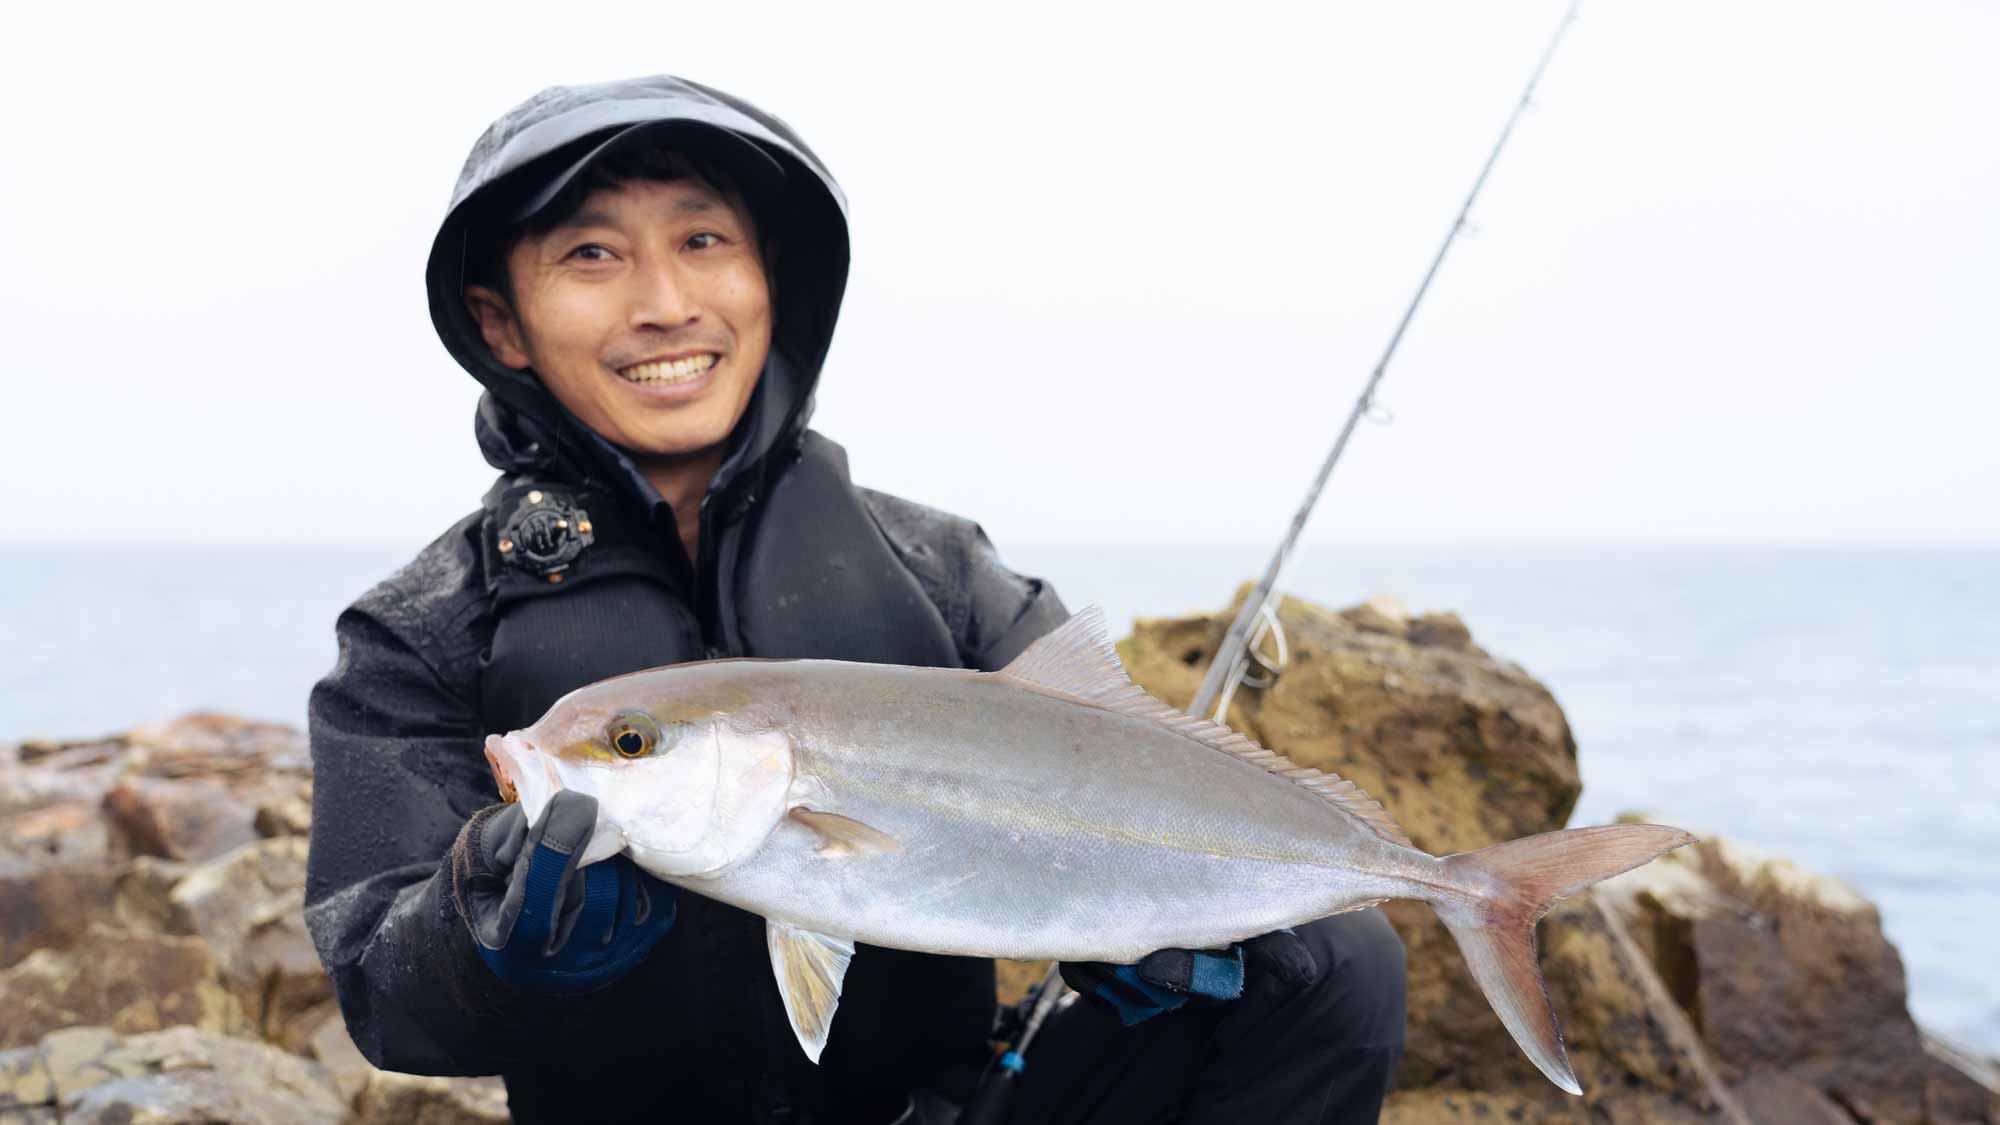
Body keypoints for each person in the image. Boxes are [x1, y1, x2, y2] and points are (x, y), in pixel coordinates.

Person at [304, 75, 1407, 1125]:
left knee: (1330, 962)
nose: (665, 304)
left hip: (949, 1110)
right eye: (591, 254)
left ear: (770, 277)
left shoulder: (936, 569)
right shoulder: (423, 630)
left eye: (703, 241)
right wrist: (483, 930)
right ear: (501, 322)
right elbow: (379, 988)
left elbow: (1098, 754)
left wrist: (1152, 919)